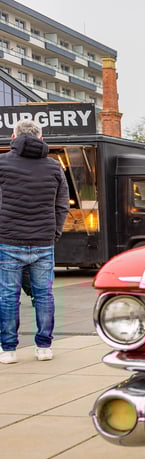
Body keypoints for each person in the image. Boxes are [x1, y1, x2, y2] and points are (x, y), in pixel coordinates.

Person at [0, 119, 70, 364]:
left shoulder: (2, 163)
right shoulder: (54, 166)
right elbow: (62, 205)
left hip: (8, 240)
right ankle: (43, 347)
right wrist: (54, 233)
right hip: (43, 241)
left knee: (8, 296)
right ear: (41, 138)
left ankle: (9, 350)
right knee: (43, 295)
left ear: (13, 137)